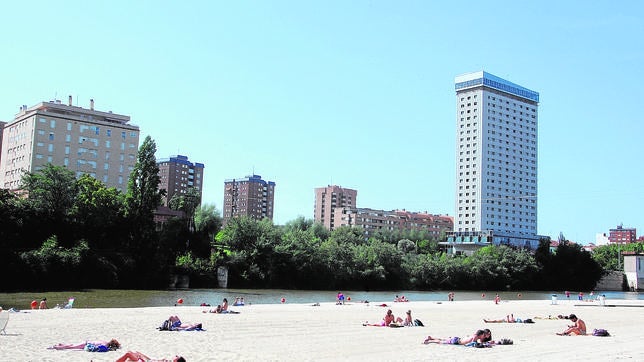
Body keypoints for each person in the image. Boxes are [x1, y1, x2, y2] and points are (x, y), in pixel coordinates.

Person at [423, 329, 491, 345]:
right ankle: (430, 341)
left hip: (457, 339)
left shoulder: (475, 336)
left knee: (443, 339)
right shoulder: (475, 337)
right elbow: (472, 344)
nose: (484, 337)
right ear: (481, 334)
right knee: (440, 342)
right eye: (484, 335)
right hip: (456, 341)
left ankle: (431, 337)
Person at [50, 339, 120, 351]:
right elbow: (99, 347)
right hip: (85, 344)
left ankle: (61, 344)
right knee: (71, 347)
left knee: (72, 345)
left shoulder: (104, 341)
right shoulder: (105, 344)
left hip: (86, 342)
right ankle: (57, 347)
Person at [115, 351, 186, 362]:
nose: (175, 356)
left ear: (176, 361)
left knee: (128, 354)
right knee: (136, 352)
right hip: (148, 360)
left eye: (177, 356)